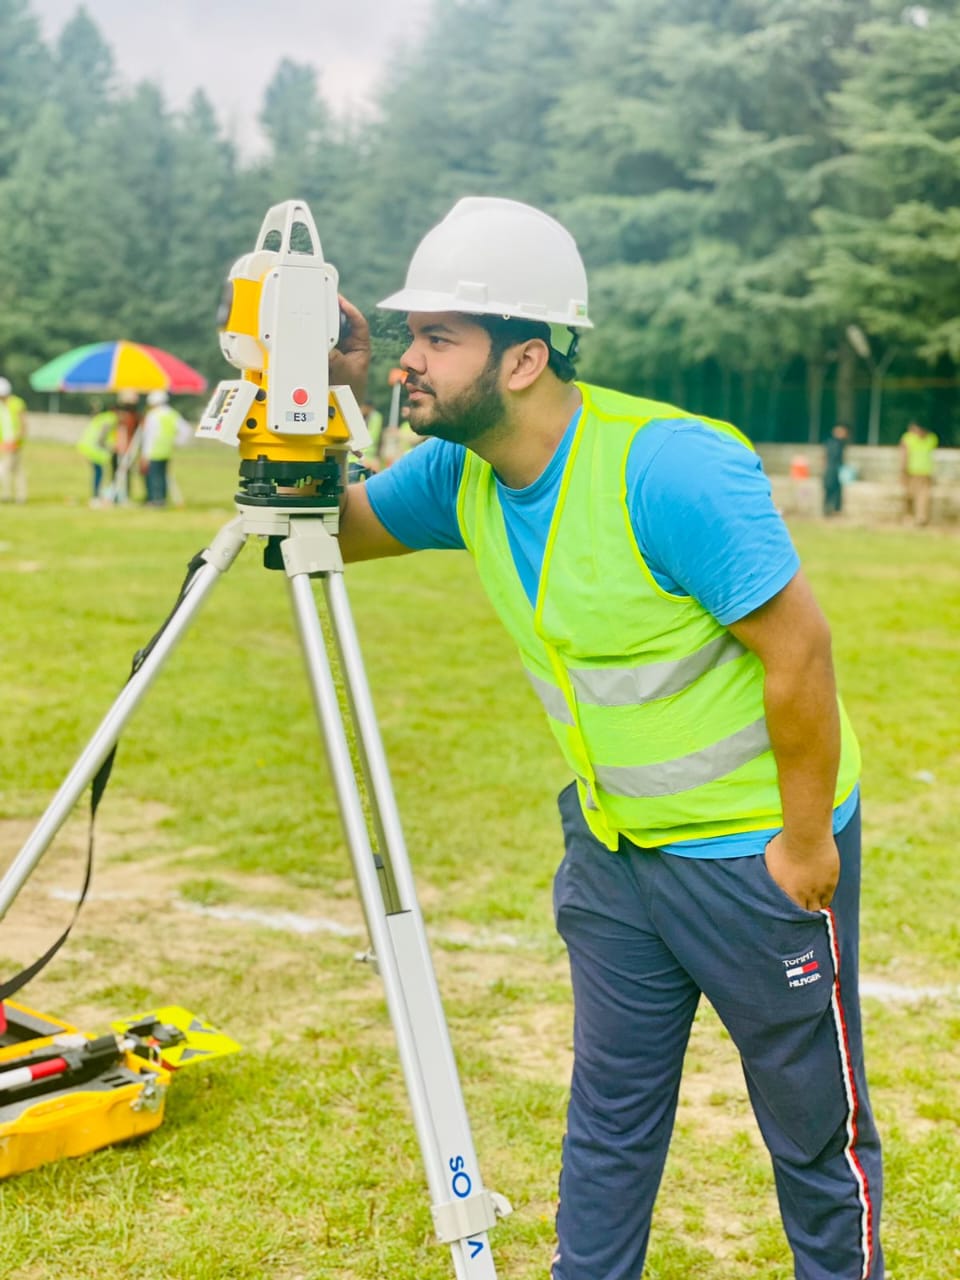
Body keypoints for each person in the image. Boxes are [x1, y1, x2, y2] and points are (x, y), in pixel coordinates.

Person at [332, 197, 884, 1280]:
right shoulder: (463, 474)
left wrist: (806, 845)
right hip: (616, 860)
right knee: (610, 1124)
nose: (412, 361)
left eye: (439, 339)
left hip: (756, 857)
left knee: (815, 1133)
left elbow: (801, 653)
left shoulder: (666, 467)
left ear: (526, 357)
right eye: (408, 338)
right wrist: (325, 391)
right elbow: (324, 532)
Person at [140, 390, 190, 506]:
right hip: (167, 450)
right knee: (162, 476)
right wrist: (176, 443)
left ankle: (154, 500)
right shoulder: (172, 414)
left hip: (153, 451)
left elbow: (149, 436)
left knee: (154, 477)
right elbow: (186, 430)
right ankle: (161, 499)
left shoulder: (153, 415)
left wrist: (144, 454)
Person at [77, 400, 118, 504]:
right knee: (99, 473)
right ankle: (96, 497)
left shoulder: (102, 417)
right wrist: (109, 447)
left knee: (98, 472)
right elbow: (102, 437)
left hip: (88, 447)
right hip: (95, 449)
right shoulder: (111, 418)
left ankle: (97, 495)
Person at [899, 420, 938, 526]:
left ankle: (920, 519)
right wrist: (903, 470)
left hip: (924, 472)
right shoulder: (909, 438)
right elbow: (904, 455)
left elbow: (904, 455)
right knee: (910, 496)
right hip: (911, 472)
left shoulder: (930, 438)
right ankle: (911, 517)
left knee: (923, 497)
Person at [0, 376, 28, 504]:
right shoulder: (1, 406)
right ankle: (7, 494)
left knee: (12, 469)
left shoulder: (16, 403)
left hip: (14, 443)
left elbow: (23, 423)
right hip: (4, 443)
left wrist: (17, 439)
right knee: (8, 469)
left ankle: (19, 496)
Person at [823, 423, 850, 517]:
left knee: (837, 491)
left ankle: (835, 510)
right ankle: (828, 510)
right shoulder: (833, 443)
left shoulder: (841, 444)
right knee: (829, 489)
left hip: (836, 469)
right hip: (831, 469)